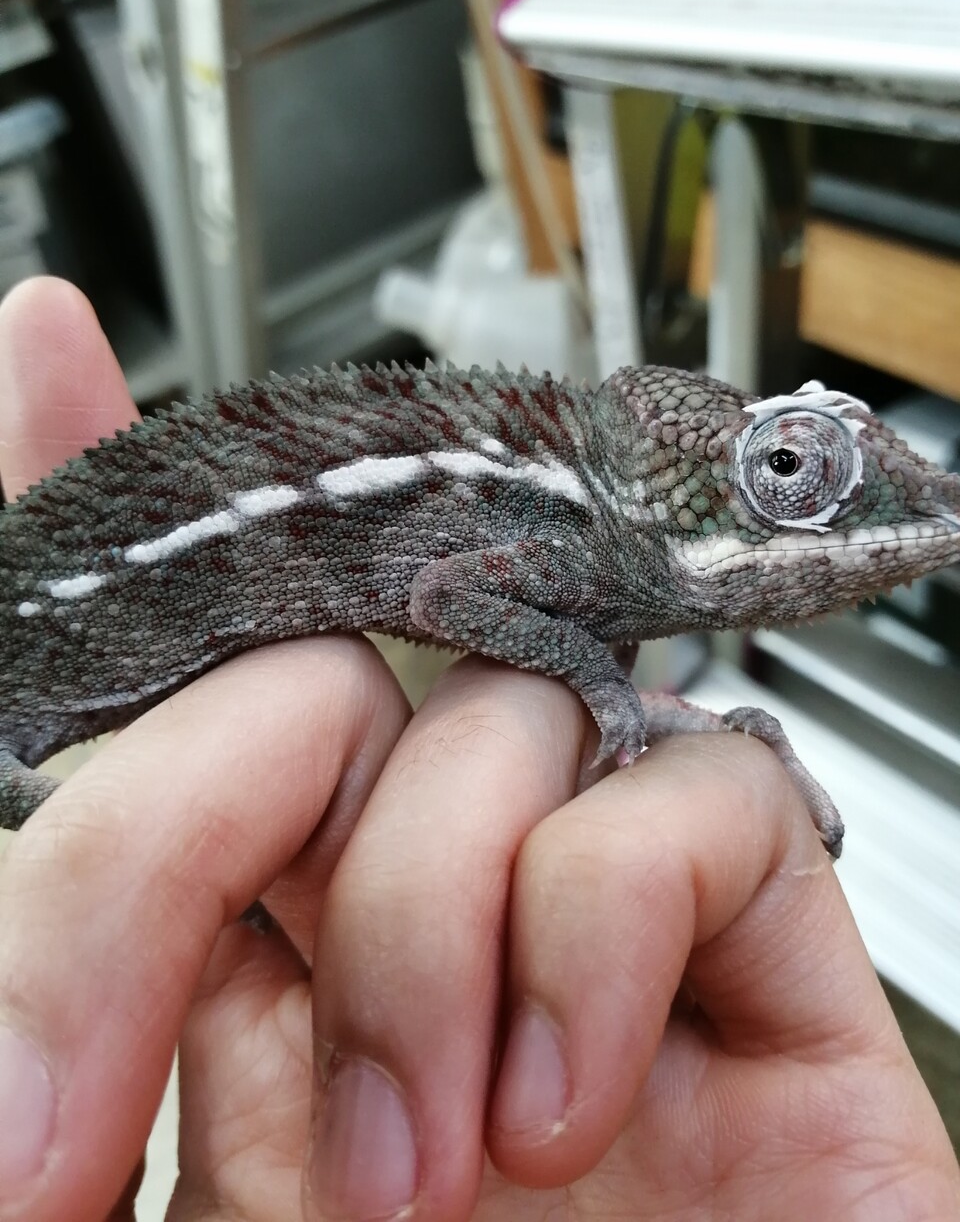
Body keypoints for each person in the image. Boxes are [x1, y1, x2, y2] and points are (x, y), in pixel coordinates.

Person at [0, 277, 957, 1222]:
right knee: (80, 848)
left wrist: (640, 707)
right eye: (787, 469)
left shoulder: (594, 528)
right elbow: (448, 596)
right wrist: (596, 679)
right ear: (671, 492)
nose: (811, 506)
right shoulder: (583, 532)